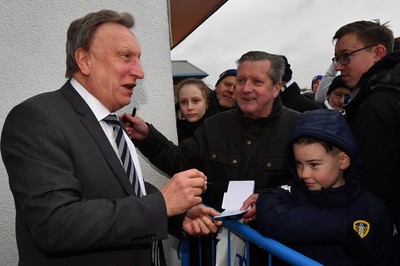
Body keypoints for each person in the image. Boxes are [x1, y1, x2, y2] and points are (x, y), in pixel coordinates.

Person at [0, 10, 222, 266]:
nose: (139, 72)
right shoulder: (36, 117)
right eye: (125, 57)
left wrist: (176, 215)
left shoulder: (111, 123)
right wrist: (161, 204)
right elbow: (55, 224)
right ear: (84, 60)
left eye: (139, 59)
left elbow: (124, 187)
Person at [125, 51, 301, 265]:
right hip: (217, 246)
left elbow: (313, 184)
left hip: (274, 250)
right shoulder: (214, 126)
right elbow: (182, 162)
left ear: (276, 87)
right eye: (241, 80)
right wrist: (147, 137)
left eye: (257, 82)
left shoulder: (298, 128)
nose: (245, 89)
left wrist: (269, 200)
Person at [257, 109, 399, 265]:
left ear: (343, 160)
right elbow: (270, 216)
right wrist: (346, 225)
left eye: (314, 164)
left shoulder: (373, 210)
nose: (304, 174)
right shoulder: (291, 194)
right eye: (298, 164)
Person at [333, 20, 400, 230]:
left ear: (378, 53)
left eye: (345, 56)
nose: (338, 66)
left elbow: (370, 182)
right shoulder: (385, 94)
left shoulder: (375, 105)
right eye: (336, 58)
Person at [175, 78, 210, 142]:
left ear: (206, 103)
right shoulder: (175, 131)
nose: (189, 107)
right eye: (184, 102)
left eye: (195, 101)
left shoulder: (217, 128)